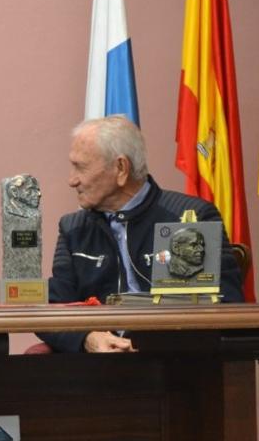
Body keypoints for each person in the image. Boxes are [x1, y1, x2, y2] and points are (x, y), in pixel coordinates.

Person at [37, 115, 243, 353]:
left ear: (121, 168)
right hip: (97, 371)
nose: (72, 180)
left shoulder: (189, 217)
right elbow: (53, 312)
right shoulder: (73, 228)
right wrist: (88, 338)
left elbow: (227, 305)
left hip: (175, 364)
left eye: (80, 167)